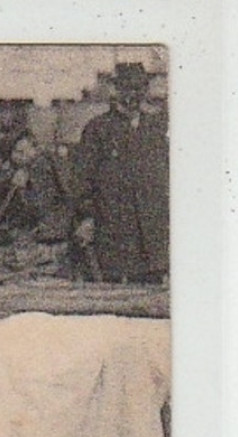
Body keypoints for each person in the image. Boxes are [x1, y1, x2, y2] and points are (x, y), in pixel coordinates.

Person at [71, 61, 168, 282]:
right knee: (114, 297)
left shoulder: (155, 129)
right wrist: (86, 217)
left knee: (151, 298)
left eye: (137, 89)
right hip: (115, 233)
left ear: (144, 91)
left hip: (152, 234)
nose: (131, 95)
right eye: (126, 88)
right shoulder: (98, 129)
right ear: (115, 90)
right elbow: (82, 180)